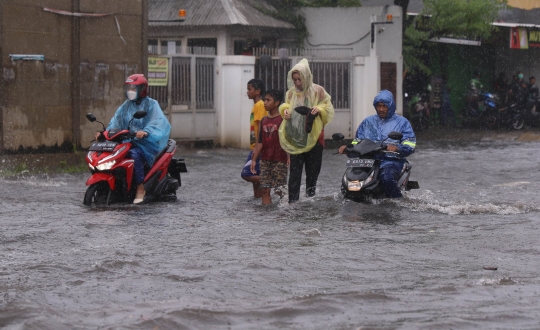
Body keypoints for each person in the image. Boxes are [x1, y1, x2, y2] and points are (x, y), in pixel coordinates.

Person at [94, 74, 171, 204]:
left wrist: (145, 132)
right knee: (113, 154)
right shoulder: (126, 106)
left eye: (134, 88)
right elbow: (115, 121)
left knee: (133, 155)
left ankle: (140, 188)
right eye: (129, 88)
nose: (131, 91)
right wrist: (105, 133)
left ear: (142, 89)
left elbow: (157, 122)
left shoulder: (151, 104)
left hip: (146, 144)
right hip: (128, 141)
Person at [339, 90, 416, 198]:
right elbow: (357, 141)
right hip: (368, 160)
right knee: (350, 178)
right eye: (378, 106)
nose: (381, 109)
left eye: (384, 106)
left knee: (386, 178)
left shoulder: (402, 122)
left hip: (391, 161)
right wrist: (348, 148)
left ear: (391, 106)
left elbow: (410, 144)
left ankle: (397, 201)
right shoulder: (367, 122)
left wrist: (396, 148)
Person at [279, 58, 335, 203]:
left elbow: (328, 108)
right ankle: (292, 204)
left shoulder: (318, 91)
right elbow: (286, 105)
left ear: (307, 77)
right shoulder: (291, 93)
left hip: (315, 139)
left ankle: (310, 203)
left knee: (312, 175)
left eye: (300, 79)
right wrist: (285, 111)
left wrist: (320, 109)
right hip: (297, 139)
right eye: (295, 80)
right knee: (294, 174)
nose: (297, 83)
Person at [250, 90, 289, 205]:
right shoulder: (264, 120)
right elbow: (260, 142)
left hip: (280, 160)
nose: (265, 103)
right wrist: (254, 159)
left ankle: (285, 211)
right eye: (264, 100)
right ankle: (265, 216)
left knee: (279, 190)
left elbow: (287, 140)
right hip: (265, 160)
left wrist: (289, 156)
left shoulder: (283, 119)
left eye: (268, 100)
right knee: (264, 189)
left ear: (276, 103)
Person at [241, 79, 267, 198]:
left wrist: (257, 148)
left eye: (249, 89)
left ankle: (271, 181)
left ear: (258, 91)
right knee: (255, 181)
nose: (247, 92)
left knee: (246, 173)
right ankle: (259, 201)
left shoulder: (260, 105)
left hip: (258, 147)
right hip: (256, 146)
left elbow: (262, 127)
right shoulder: (257, 106)